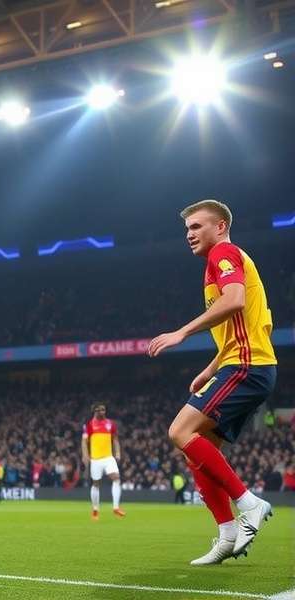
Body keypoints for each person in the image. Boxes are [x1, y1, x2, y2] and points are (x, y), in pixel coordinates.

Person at [149, 199, 277, 565]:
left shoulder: (224, 252)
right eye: (187, 229)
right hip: (243, 363)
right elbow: (246, 326)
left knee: (179, 431)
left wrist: (183, 332)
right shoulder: (217, 262)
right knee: (197, 448)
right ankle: (227, 532)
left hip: (247, 366)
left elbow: (235, 301)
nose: (189, 234)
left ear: (220, 226)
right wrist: (210, 368)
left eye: (197, 226)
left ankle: (249, 504)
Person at [81, 403, 125, 520]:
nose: (102, 412)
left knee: (116, 478)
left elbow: (115, 440)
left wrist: (118, 453)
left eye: (104, 410)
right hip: (95, 459)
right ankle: (95, 509)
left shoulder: (110, 424)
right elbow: (84, 442)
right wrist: (85, 455)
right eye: (100, 410)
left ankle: (116, 508)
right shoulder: (89, 425)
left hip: (108, 457)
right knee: (96, 483)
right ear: (94, 411)